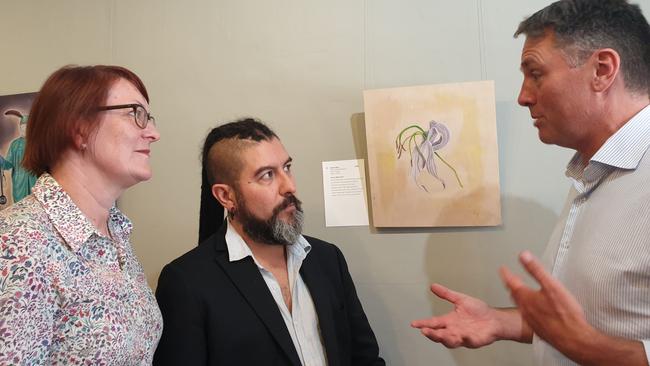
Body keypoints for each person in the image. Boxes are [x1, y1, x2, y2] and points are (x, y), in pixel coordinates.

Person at [411, 0, 650, 365]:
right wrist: (500, 321)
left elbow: (586, 340)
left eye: (535, 73)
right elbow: (593, 324)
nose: (524, 96)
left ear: (602, 70)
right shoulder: (593, 175)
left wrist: (589, 349)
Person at [154, 118, 384, 366]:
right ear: (226, 196)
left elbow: (365, 359)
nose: (290, 186)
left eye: (287, 167)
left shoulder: (327, 259)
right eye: (267, 175)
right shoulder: (187, 282)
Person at [0, 65, 162, 364]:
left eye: (149, 118)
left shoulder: (115, 234)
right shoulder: (19, 245)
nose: (153, 133)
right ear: (80, 128)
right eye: (135, 114)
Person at [0, 110, 37, 202]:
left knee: (35, 207)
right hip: (18, 182)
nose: (23, 130)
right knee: (20, 209)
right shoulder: (15, 144)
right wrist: (1, 160)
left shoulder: (36, 144)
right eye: (22, 127)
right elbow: (8, 165)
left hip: (34, 180)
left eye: (26, 127)